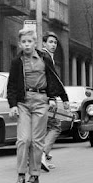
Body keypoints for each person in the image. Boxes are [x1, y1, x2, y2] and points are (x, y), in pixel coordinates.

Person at [7, 28, 68, 183]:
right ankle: (21, 175)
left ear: (35, 43)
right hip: (23, 103)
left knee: (36, 141)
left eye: (30, 42)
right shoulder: (16, 62)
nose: (27, 45)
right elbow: (12, 85)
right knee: (23, 139)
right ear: (20, 43)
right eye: (24, 42)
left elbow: (54, 78)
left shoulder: (44, 58)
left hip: (41, 101)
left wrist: (64, 98)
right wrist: (12, 105)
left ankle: (34, 176)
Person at [41, 31, 69, 170]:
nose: (53, 45)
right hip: (47, 98)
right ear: (43, 43)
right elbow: (52, 79)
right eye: (50, 42)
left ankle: (42, 157)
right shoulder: (45, 57)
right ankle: (42, 154)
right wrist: (58, 97)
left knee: (44, 128)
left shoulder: (45, 57)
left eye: (55, 42)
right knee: (55, 126)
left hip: (41, 97)